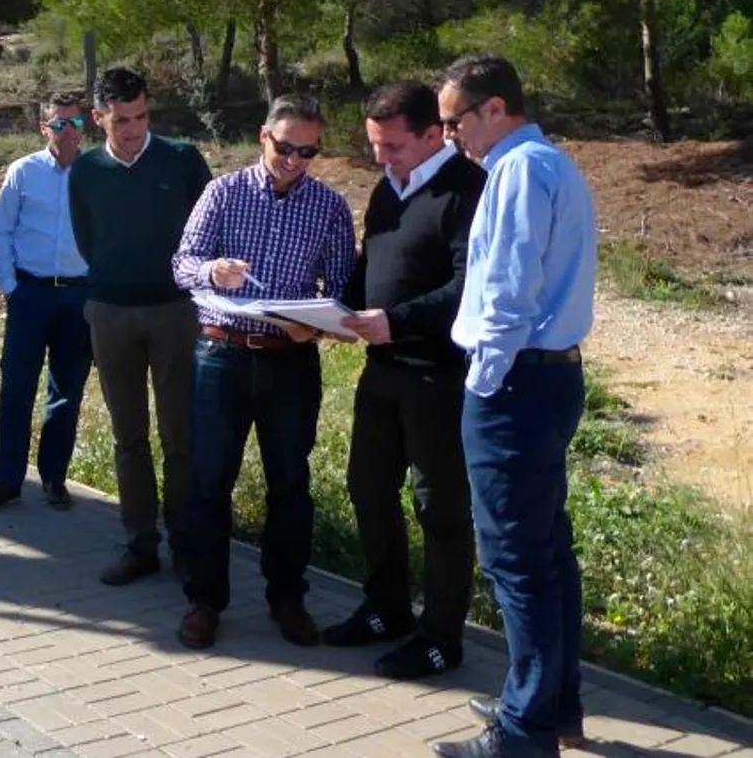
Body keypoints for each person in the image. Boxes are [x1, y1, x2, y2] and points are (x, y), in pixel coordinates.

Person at [432, 55, 597, 758]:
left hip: (516, 382)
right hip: (547, 377)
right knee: (546, 548)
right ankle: (552, 702)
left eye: (454, 121)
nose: (449, 137)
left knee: (517, 557)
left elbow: (508, 288)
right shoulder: (550, 163)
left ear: (494, 109)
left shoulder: (520, 169)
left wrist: (483, 381)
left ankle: (524, 730)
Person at [169, 93, 355, 650]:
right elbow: (182, 264)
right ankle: (204, 601)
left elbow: (342, 286)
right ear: (262, 137)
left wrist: (317, 326)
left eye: (309, 151)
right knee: (209, 483)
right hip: (221, 355)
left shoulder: (328, 207)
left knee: (291, 484)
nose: (296, 159)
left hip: (289, 361)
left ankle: (287, 597)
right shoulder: (221, 193)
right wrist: (212, 269)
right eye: (286, 146)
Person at [327, 82, 485, 680]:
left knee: (439, 507)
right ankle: (386, 607)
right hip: (383, 370)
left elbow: (467, 287)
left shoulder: (468, 192)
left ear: (432, 134)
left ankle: (442, 635)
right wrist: (336, 313)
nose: (380, 158)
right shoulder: (385, 192)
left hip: (438, 376)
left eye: (392, 146)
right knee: (367, 486)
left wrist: (394, 321)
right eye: (374, 145)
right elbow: (372, 267)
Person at [66, 67, 213, 584]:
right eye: (121, 118)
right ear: (98, 116)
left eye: (142, 116)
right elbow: (88, 240)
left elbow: (208, 230)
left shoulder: (181, 160)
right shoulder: (85, 172)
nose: (133, 128)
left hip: (175, 311)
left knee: (181, 434)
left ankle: (186, 541)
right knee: (129, 436)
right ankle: (140, 542)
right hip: (110, 312)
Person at [0, 92, 95, 513]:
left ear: (85, 128)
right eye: (59, 124)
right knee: (16, 389)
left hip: (79, 297)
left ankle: (54, 479)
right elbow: (3, 231)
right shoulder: (23, 171)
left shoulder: (98, 172)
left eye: (75, 124)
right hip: (31, 294)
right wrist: (10, 286)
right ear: (44, 128)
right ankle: (6, 480)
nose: (68, 132)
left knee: (67, 393)